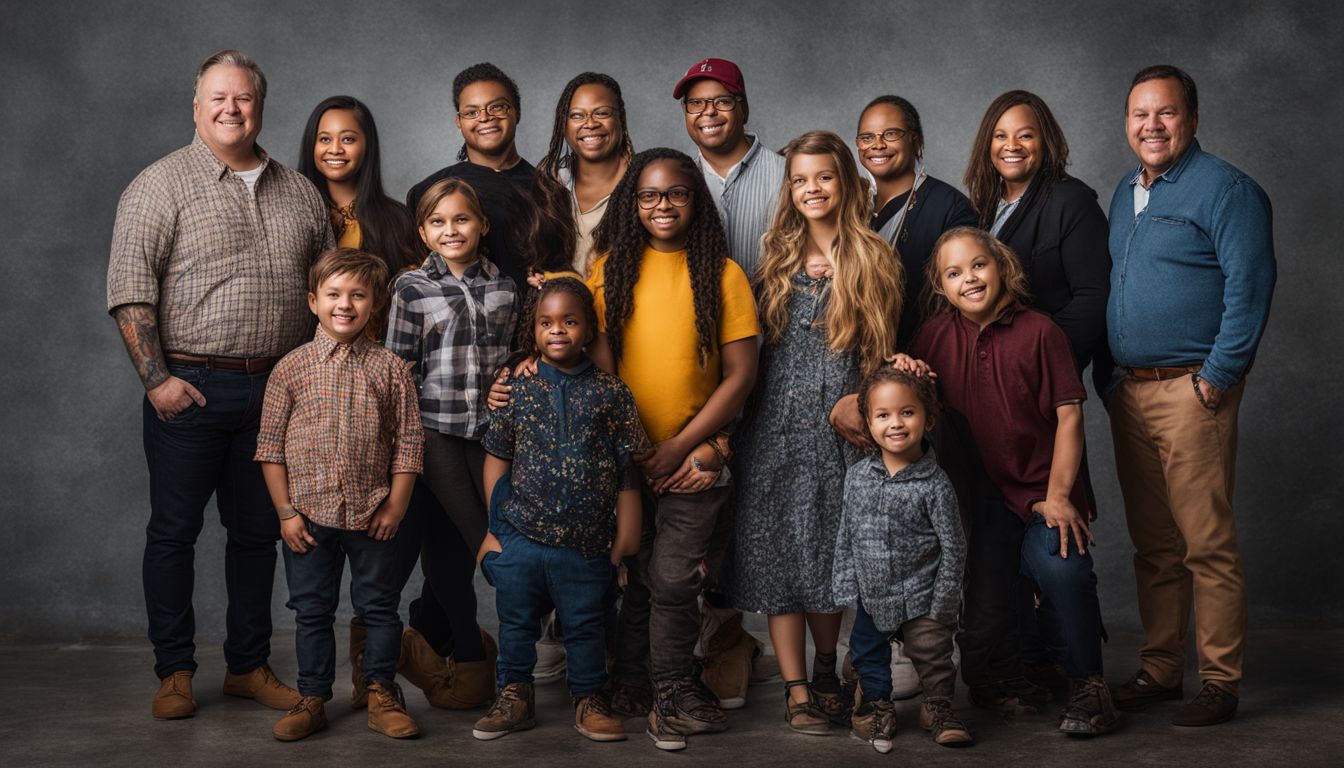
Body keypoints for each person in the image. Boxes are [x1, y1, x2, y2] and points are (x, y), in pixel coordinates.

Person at [106, 49, 329, 720]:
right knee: (173, 532)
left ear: (261, 106)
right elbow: (130, 292)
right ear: (197, 107)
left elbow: (326, 293)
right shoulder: (158, 185)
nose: (232, 109)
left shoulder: (300, 191)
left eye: (244, 98)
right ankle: (174, 669)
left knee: (257, 533)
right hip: (190, 390)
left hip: (275, 394)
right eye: (218, 98)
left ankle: (247, 666)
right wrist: (157, 380)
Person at [1106, 65, 1275, 727]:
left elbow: (1250, 292)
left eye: (1166, 113)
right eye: (1140, 114)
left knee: (1206, 545)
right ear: (1126, 123)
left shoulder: (1228, 190)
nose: (1152, 125)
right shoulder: (1126, 191)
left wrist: (1216, 378)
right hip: (1132, 391)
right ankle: (1161, 668)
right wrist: (1112, 375)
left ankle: (1221, 683)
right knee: (1155, 547)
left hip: (1192, 391)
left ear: (1192, 119)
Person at [900, 227, 1118, 736]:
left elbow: (1069, 416)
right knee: (985, 608)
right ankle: (1004, 677)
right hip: (981, 499)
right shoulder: (932, 336)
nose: (969, 279)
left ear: (1002, 267)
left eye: (978, 265)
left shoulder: (1041, 331)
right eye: (953, 273)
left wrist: (1060, 496)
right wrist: (904, 365)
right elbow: (906, 397)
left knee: (1062, 569)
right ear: (940, 286)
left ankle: (1089, 686)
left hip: (1044, 492)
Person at [586, 148, 760, 750]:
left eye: (677, 194)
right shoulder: (610, 271)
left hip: (694, 460)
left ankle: (672, 686)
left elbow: (740, 375)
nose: (663, 205)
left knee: (675, 577)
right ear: (633, 204)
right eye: (649, 195)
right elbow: (603, 375)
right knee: (636, 573)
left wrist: (687, 445)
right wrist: (637, 451)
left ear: (696, 200)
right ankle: (630, 679)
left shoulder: (725, 274)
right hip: (629, 460)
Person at [729, 131, 900, 734]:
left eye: (824, 177)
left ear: (846, 183)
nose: (812, 189)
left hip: (840, 435)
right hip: (773, 433)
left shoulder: (873, 257)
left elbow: (879, 353)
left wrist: (861, 399)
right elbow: (754, 356)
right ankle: (796, 688)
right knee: (779, 562)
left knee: (827, 558)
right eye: (800, 180)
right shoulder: (772, 258)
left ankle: (828, 667)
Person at [964, 89, 1112, 700]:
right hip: (987, 413)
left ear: (1045, 139)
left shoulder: (1071, 202)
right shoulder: (983, 206)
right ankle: (1026, 663)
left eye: (1024, 134)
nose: (1012, 146)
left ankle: (1079, 673)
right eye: (1000, 136)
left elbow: (1092, 299)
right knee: (996, 559)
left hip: (1042, 393)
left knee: (1054, 550)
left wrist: (1037, 364)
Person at [254, 249, 423, 741]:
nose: (344, 304)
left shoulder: (391, 368)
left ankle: (380, 691)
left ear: (376, 305)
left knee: (378, 609)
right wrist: (286, 513)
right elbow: (269, 448)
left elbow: (410, 442)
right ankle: (312, 697)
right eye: (333, 294)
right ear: (313, 301)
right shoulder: (291, 368)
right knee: (311, 610)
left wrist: (395, 505)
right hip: (308, 516)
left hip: (374, 514)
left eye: (357, 295)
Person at [470, 277, 649, 743]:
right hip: (521, 535)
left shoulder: (612, 393)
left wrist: (623, 543)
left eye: (569, 322)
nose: (557, 331)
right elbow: (497, 458)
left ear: (589, 329)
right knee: (516, 623)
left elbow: (627, 471)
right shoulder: (516, 388)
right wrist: (495, 530)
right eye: (546, 323)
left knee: (586, 624)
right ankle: (514, 694)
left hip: (586, 542)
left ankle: (589, 699)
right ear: (533, 330)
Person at [672, 55, 784, 710]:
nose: (707, 113)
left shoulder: (782, 172)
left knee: (747, 508)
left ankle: (731, 637)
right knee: (696, 506)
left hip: (771, 362)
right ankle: (709, 641)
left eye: (720, 101)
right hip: (693, 372)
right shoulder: (672, 177)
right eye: (695, 103)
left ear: (742, 106)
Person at [384, 178, 518, 710]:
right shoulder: (411, 288)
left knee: (448, 546)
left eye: (461, 219)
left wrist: (506, 380)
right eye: (438, 222)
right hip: (433, 431)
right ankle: (471, 654)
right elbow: (397, 370)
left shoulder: (507, 287)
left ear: (482, 225)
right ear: (423, 232)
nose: (451, 230)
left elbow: (511, 355)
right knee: (482, 538)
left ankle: (423, 633)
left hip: (487, 433)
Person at [832, 368, 971, 752]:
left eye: (907, 413)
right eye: (883, 415)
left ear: (928, 416)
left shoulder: (935, 484)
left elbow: (953, 546)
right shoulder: (858, 476)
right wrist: (845, 582)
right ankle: (877, 706)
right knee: (868, 652)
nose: (895, 423)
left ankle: (939, 707)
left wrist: (945, 600)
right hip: (873, 593)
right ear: (869, 422)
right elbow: (846, 530)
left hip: (923, 593)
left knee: (933, 653)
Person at [406, 62, 570, 290]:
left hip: (531, 318)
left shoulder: (548, 192)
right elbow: (416, 271)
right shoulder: (432, 189)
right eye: (472, 112)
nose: (485, 118)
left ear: (516, 112)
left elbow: (561, 270)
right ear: (459, 121)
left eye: (497, 107)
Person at [856, 95, 976, 350]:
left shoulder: (950, 207)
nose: (877, 145)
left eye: (890, 134)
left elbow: (964, 299)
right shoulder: (850, 204)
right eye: (867, 137)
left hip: (924, 356)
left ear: (916, 141)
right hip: (856, 353)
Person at [298, 95, 420, 343]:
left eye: (348, 139)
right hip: (302, 355)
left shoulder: (396, 220)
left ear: (367, 145)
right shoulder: (293, 212)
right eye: (324, 139)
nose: (335, 149)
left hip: (375, 357)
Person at [536, 72, 634, 276]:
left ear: (621, 118)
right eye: (576, 115)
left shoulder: (645, 182)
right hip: (566, 305)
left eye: (602, 113)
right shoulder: (550, 183)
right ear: (564, 124)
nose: (590, 123)